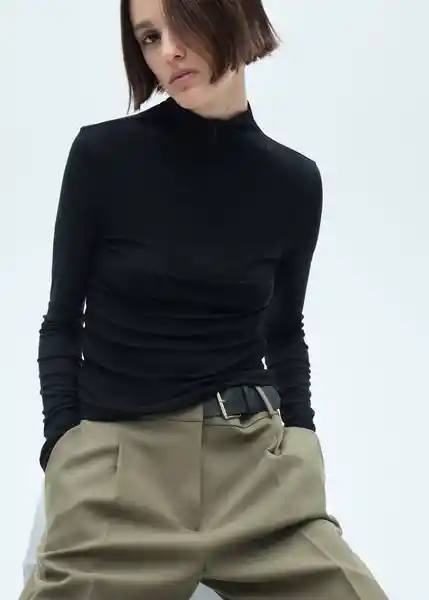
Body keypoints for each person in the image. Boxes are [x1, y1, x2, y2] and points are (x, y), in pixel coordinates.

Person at [19, 0, 390, 599]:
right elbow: (61, 321)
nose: (168, 51)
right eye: (148, 37)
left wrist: (302, 442)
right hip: (119, 468)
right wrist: (63, 449)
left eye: (182, 21)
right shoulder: (103, 157)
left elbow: (284, 331)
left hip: (254, 468)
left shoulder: (294, 182)